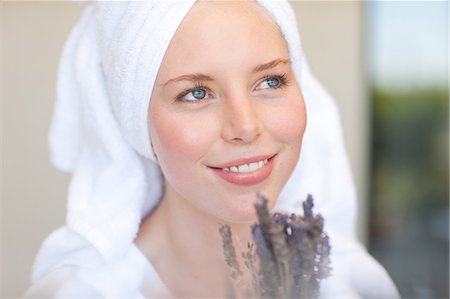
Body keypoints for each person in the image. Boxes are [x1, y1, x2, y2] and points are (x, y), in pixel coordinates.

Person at [25, 1, 400, 298]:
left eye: (270, 80)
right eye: (197, 93)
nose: (246, 126)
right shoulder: (83, 292)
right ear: (138, 124)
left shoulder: (354, 284)